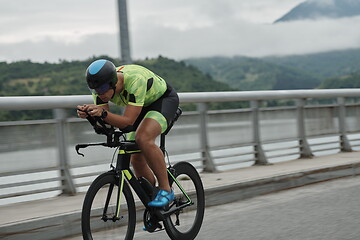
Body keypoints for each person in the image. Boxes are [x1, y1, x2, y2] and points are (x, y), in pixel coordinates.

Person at [77, 59, 179, 207]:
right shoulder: (100, 90)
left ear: (113, 82)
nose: (101, 94)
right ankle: (154, 203)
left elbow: (128, 122)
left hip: (161, 101)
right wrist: (91, 115)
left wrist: (103, 113)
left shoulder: (135, 80)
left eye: (104, 89)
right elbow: (106, 124)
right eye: (96, 90)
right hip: (138, 106)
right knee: (136, 158)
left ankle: (166, 189)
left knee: (143, 139)